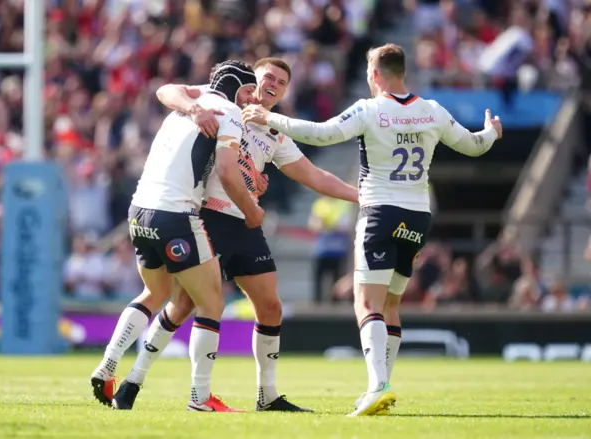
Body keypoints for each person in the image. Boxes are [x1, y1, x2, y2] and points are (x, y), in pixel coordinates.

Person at [241, 43, 503, 416]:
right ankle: (382, 386)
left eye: (368, 73)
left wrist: (271, 119)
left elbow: (321, 134)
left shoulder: (369, 109)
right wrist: (491, 132)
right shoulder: (431, 110)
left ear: (376, 74)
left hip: (380, 212)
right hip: (417, 217)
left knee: (366, 303)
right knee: (391, 304)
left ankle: (377, 385)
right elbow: (474, 146)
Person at [111, 57, 358, 412]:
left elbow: (314, 176)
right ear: (250, 81)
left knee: (270, 306)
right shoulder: (222, 105)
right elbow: (167, 90)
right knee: (182, 305)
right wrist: (196, 110)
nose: (273, 85)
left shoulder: (273, 130)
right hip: (207, 216)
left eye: (282, 82)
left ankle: (267, 395)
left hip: (243, 223)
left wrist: (358, 195)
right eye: (268, 77)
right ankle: (134, 380)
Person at [90, 60, 261, 413]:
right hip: (177, 215)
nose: (249, 99)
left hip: (139, 211)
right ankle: (200, 397)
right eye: (247, 91)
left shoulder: (185, 105)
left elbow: (166, 89)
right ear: (234, 87)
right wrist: (251, 210)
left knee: (156, 292)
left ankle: (108, 365)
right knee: (211, 304)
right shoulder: (227, 111)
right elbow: (228, 172)